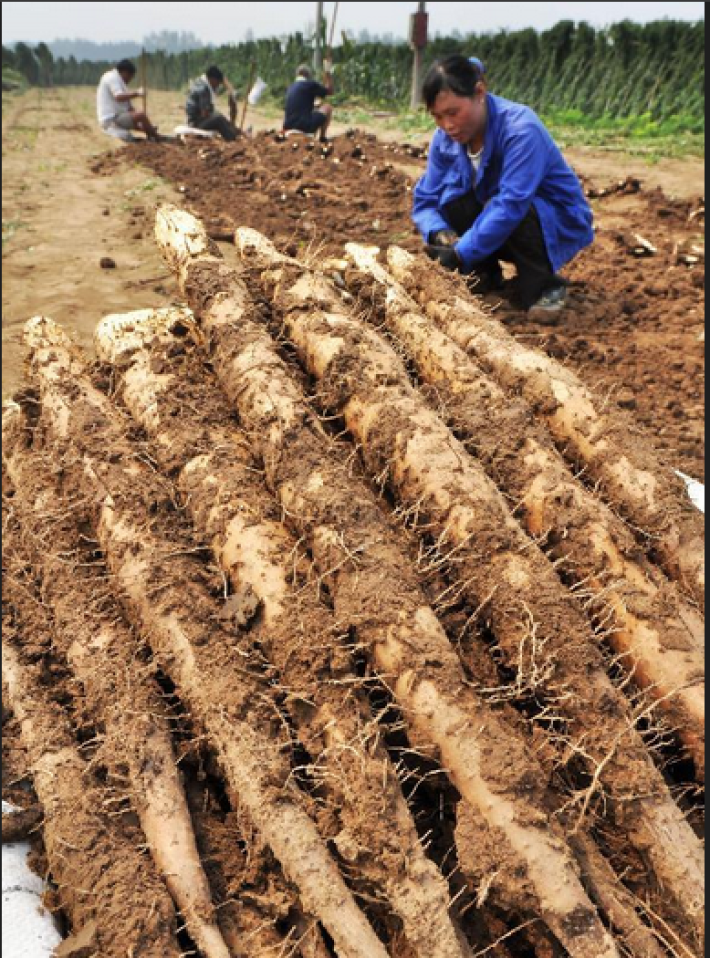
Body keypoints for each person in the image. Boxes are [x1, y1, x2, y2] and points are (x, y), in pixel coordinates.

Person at [412, 55, 594, 317]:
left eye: (453, 112)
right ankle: (483, 275)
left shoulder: (520, 130)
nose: (447, 125)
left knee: (516, 211)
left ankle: (544, 286)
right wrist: (438, 232)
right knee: (451, 199)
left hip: (550, 223)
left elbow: (511, 204)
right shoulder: (444, 140)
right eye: (437, 117)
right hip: (496, 221)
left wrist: (460, 253)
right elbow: (426, 200)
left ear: (479, 93)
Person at [96, 59, 159, 140]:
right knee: (141, 114)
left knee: (138, 116)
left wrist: (147, 127)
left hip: (118, 117)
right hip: (110, 120)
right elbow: (118, 97)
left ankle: (152, 134)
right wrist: (137, 93)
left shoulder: (120, 83)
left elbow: (130, 110)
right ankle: (157, 138)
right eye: (130, 77)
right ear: (125, 72)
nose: (130, 80)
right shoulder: (111, 77)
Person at [283, 62, 334, 141]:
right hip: (304, 126)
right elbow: (330, 91)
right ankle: (322, 138)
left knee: (314, 111)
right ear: (308, 75)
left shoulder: (290, 87)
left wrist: (315, 105)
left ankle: (311, 134)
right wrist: (328, 72)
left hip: (287, 127)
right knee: (328, 107)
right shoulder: (310, 84)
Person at [185, 66, 239, 141]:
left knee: (220, 118)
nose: (217, 86)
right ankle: (233, 140)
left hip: (196, 120)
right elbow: (204, 113)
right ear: (212, 79)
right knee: (219, 119)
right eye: (218, 83)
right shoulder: (203, 88)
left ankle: (237, 133)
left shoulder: (201, 82)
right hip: (196, 123)